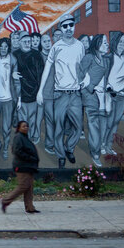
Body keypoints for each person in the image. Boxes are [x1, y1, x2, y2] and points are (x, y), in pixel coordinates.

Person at [37, 14, 86, 169]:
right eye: (64, 26)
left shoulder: (80, 46)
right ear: (61, 28)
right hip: (60, 94)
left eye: (71, 25)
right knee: (58, 127)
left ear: (74, 25)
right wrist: (40, 91)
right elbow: (46, 70)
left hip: (75, 94)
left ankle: (69, 148)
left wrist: (86, 80)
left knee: (78, 127)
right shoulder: (56, 47)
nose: (68, 29)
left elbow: (84, 68)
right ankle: (60, 156)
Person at [0, 32, 21, 160]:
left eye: (6, 46)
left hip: (8, 99)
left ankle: (6, 147)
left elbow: (17, 81)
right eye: (1, 46)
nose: (3, 48)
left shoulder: (13, 60)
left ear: (9, 47)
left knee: (6, 128)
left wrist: (19, 99)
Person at [79, 34, 110, 167]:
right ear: (97, 44)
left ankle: (99, 148)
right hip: (89, 94)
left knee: (101, 123)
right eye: (104, 42)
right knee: (93, 123)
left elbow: (105, 79)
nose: (107, 44)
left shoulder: (105, 60)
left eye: (107, 42)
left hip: (102, 96)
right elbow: (79, 75)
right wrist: (90, 86)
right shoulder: (89, 58)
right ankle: (95, 153)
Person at [0, 121, 40, 214]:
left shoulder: (25, 137)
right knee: (23, 186)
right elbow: (17, 151)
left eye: (27, 126)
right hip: (22, 166)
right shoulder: (19, 137)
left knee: (29, 187)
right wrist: (30, 158)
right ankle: (5, 201)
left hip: (29, 166)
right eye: (23, 126)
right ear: (19, 128)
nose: (26, 127)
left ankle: (30, 207)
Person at [13, 31, 44, 144]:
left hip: (34, 94)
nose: (27, 43)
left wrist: (40, 92)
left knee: (32, 119)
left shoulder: (36, 55)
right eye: (24, 41)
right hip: (20, 95)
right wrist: (12, 74)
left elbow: (41, 75)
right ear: (20, 42)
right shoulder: (15, 55)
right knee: (22, 120)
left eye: (29, 41)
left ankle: (29, 139)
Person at [103, 31, 124, 155]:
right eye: (120, 41)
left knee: (116, 122)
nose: (122, 44)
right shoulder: (108, 58)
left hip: (121, 96)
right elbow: (103, 76)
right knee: (109, 122)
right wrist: (109, 88)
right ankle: (102, 144)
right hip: (110, 95)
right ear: (115, 42)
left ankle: (109, 146)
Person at [36, 34, 56, 155]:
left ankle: (49, 145)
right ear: (41, 43)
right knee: (36, 120)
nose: (47, 43)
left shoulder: (55, 57)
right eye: (45, 41)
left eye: (49, 41)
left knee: (50, 121)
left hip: (50, 95)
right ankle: (35, 139)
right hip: (38, 94)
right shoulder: (38, 57)